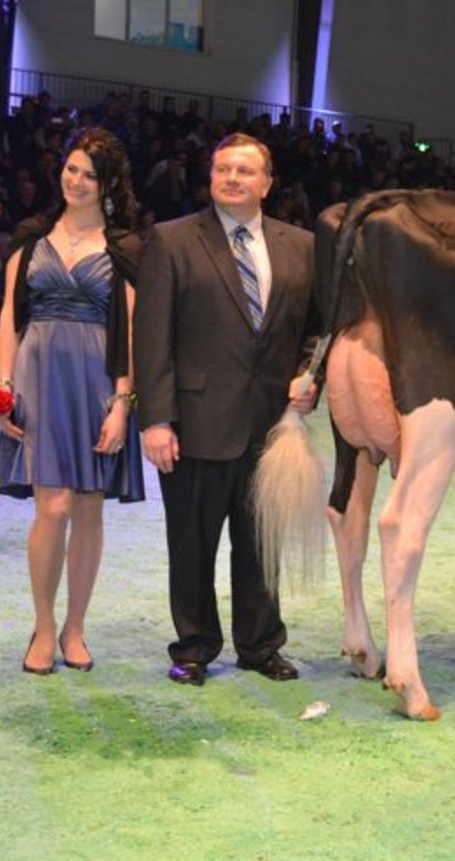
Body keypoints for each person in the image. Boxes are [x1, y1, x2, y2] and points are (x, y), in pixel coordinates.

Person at [134, 133, 320, 687]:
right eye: (222, 169)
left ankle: (261, 645)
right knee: (191, 544)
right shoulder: (171, 241)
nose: (232, 178)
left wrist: (310, 378)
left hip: (271, 425)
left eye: (244, 171)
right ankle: (194, 648)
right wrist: (157, 419)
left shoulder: (303, 247)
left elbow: (317, 328)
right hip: (193, 423)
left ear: (267, 182)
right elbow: (152, 338)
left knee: (261, 542)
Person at [0, 127, 146, 675]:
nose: (75, 180)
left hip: (97, 382)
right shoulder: (31, 240)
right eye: (71, 169)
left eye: (88, 173)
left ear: (108, 185)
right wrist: (2, 389)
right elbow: (10, 317)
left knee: (86, 509)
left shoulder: (127, 248)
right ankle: (44, 625)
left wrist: (124, 401)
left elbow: (130, 329)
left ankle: (76, 627)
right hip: (37, 378)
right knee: (50, 507)